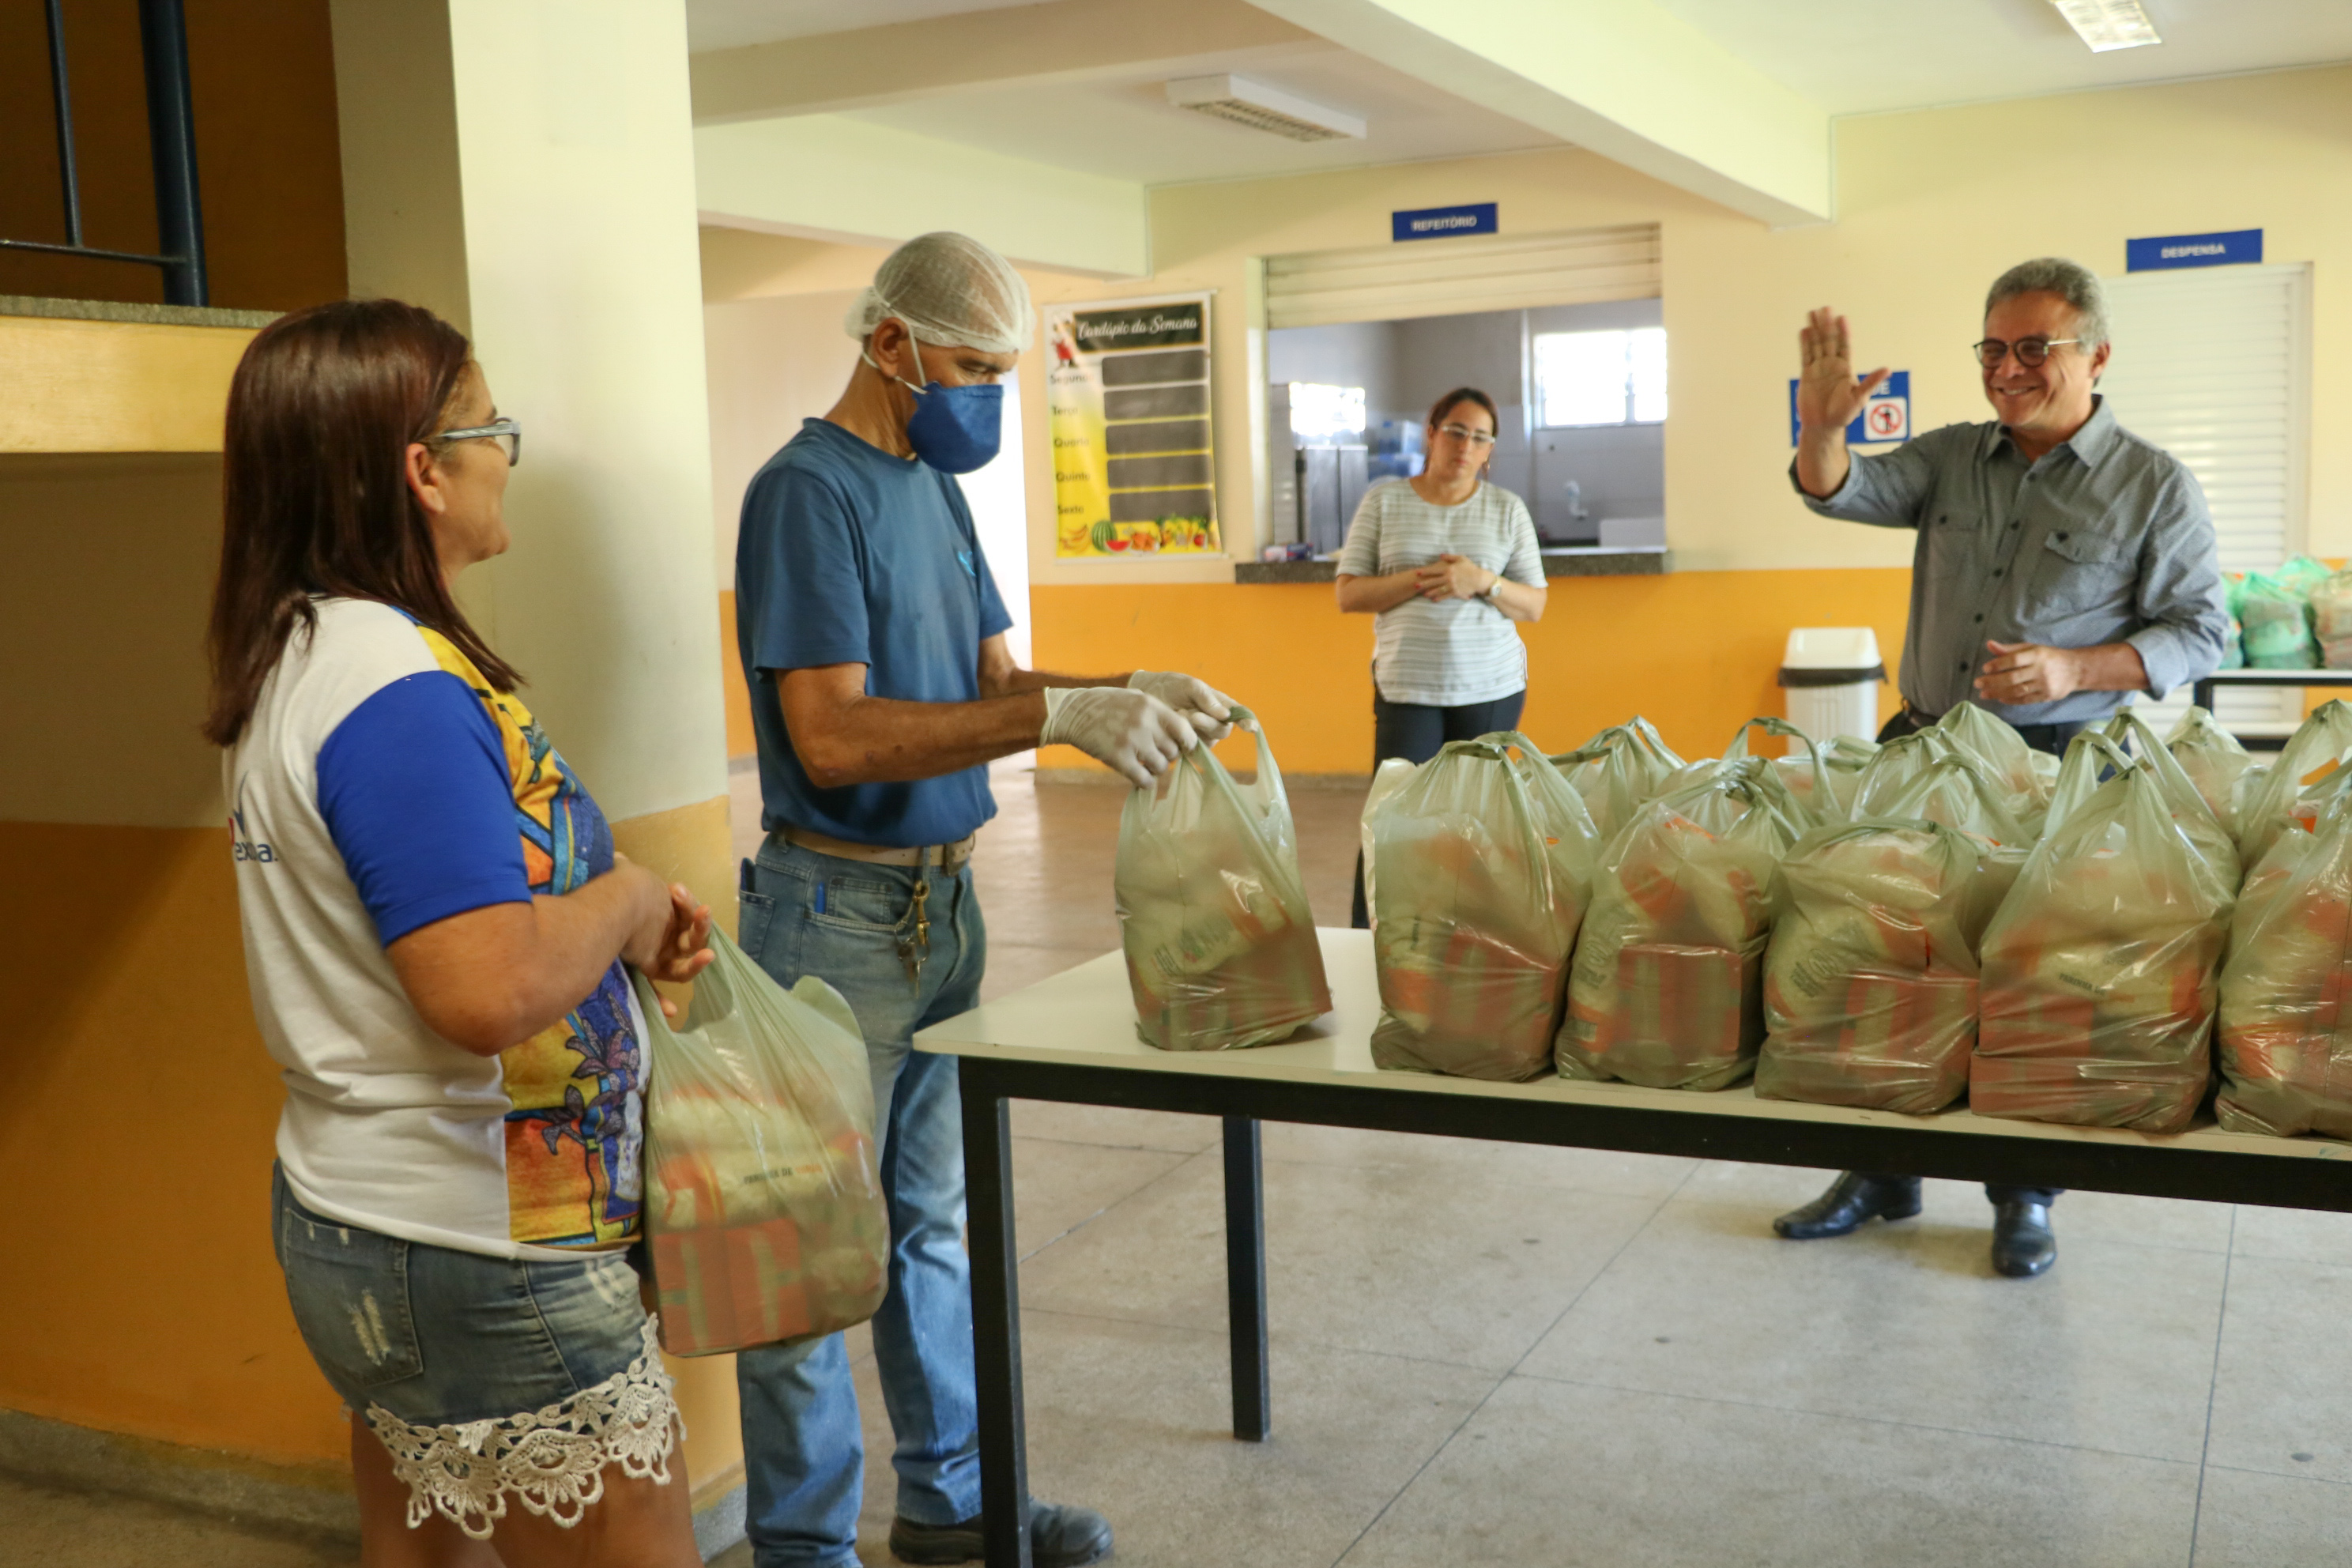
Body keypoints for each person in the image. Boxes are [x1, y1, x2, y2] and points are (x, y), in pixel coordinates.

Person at [731, 232, 1233, 1568]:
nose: (986, 400)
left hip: (942, 913)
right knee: (805, 1244)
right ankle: (802, 1547)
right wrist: (1055, 720)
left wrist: (1123, 687)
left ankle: (950, 1500)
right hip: (831, 919)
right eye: (970, 369)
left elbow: (999, 681)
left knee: (932, 1225)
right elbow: (832, 737)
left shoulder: (932, 490)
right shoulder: (807, 493)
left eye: (1004, 375)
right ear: (888, 341)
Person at [207, 300, 716, 1565]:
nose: (507, 454)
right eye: (492, 427)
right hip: (482, 1243)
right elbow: (484, 990)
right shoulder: (395, 689)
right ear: (423, 472)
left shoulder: (304, 654)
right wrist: (627, 900)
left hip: (370, 1213)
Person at [1781, 256, 2227, 1278]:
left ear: (2097, 356)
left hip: (2054, 767)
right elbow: (1837, 488)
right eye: (1993, 348)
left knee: (2031, 986)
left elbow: (2202, 630)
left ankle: (2023, 1192)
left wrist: (2077, 666)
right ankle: (1880, 1170)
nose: (2007, 368)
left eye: (2034, 348)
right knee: (1886, 964)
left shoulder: (2153, 485)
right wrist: (1821, 427)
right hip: (1924, 751)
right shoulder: (1951, 456)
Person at [1335, 386, 1547, 926]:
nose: (1465, 445)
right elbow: (1349, 594)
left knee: (1479, 822)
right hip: (1408, 686)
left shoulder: (1506, 510)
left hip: (1491, 688)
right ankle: (1372, 937)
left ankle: (1470, 935)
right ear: (1431, 433)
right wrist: (1421, 579)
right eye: (1456, 431)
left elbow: (1534, 605)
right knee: (1393, 821)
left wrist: (1481, 581)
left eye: (1480, 437)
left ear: (1490, 450)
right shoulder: (1384, 501)